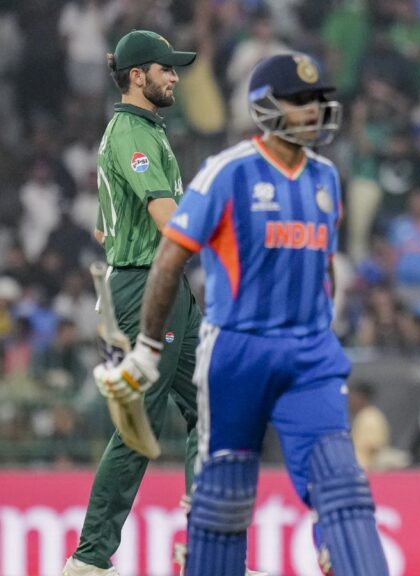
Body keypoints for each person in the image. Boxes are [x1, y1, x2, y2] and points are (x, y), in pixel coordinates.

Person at [92, 53, 389, 575]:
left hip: (309, 355)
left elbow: (324, 266)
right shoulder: (227, 173)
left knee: (343, 486)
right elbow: (168, 261)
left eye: (318, 101)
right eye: (301, 102)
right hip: (237, 351)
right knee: (224, 502)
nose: (315, 111)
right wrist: (146, 348)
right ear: (266, 107)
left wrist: (323, 328)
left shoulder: (327, 178)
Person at [64, 30, 203, 576]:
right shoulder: (129, 132)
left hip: (164, 284)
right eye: (166, 69)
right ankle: (89, 558)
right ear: (137, 76)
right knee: (140, 429)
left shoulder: (141, 130)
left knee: (212, 411)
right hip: (151, 287)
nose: (175, 76)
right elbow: (168, 220)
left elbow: (105, 229)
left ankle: (208, 547)